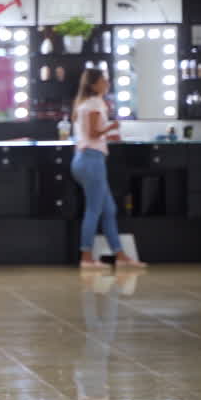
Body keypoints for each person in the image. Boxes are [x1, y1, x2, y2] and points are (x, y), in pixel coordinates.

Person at [71, 69, 144, 269]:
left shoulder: (83, 104)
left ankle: (120, 255)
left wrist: (107, 135)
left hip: (83, 159)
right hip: (92, 160)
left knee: (108, 209)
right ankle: (86, 257)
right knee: (94, 210)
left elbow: (89, 134)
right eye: (104, 80)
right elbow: (94, 132)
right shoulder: (95, 103)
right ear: (94, 85)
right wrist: (112, 128)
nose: (108, 83)